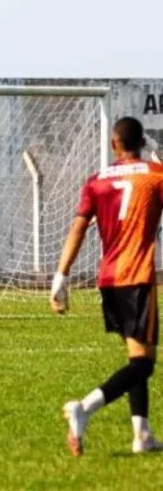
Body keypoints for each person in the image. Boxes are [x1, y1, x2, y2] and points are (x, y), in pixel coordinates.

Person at [52, 116, 162, 456]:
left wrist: (60, 277)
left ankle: (141, 435)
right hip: (138, 276)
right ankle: (83, 408)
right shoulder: (156, 175)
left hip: (109, 280)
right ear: (141, 143)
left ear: (114, 144)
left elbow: (78, 228)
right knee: (144, 364)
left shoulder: (97, 180)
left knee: (136, 356)